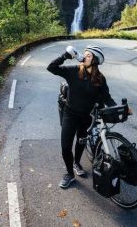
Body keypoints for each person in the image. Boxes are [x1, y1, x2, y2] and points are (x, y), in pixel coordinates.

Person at [48, 44, 118, 189]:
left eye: (88, 55)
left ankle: (77, 163)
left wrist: (118, 108)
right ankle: (69, 174)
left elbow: (107, 98)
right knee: (65, 146)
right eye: (84, 54)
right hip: (70, 114)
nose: (83, 56)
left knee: (81, 142)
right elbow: (51, 68)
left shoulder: (100, 79)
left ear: (95, 60)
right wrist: (64, 56)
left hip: (86, 116)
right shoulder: (74, 71)